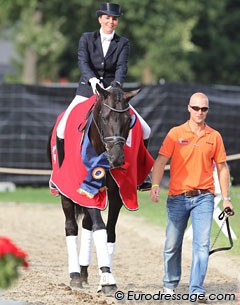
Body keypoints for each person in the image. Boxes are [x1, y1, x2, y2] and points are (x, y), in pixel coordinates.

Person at [56, 2, 151, 191]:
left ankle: (142, 176)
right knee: (61, 128)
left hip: (112, 93)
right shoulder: (86, 38)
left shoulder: (123, 42)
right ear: (100, 19)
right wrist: (92, 80)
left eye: (114, 18)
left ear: (117, 21)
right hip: (87, 90)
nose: (111, 21)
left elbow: (121, 68)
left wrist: (113, 87)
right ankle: (59, 175)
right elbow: (82, 61)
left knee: (146, 129)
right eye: (107, 17)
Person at [150, 92, 233, 301]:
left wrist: (226, 198)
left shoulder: (214, 136)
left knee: (202, 245)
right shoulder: (175, 133)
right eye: (196, 108)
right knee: (172, 244)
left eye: (204, 109)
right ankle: (170, 284)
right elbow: (160, 161)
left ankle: (196, 290)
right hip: (177, 197)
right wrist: (155, 184)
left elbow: (222, 169)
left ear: (207, 111)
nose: (199, 112)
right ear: (188, 108)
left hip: (204, 197)